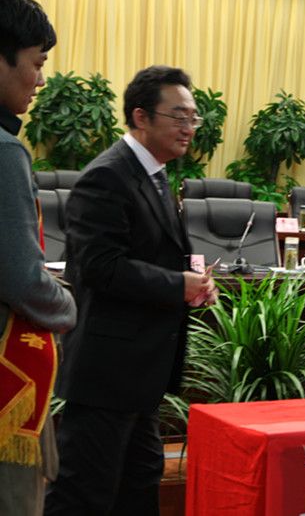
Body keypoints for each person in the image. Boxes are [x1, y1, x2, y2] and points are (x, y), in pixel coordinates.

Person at [45, 66, 217, 515]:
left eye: (193, 118)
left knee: (139, 487)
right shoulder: (107, 176)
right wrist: (176, 286)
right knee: (83, 495)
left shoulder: (154, 174)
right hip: (107, 372)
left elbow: (153, 255)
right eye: (178, 116)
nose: (189, 127)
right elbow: (99, 268)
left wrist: (193, 285)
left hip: (139, 373)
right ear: (141, 117)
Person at [0, 0, 77, 516]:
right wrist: (69, 304)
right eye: (37, 62)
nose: (41, 80)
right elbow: (23, 279)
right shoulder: (6, 153)